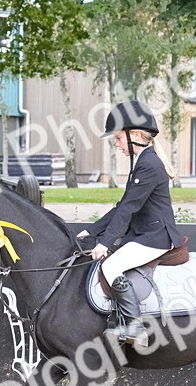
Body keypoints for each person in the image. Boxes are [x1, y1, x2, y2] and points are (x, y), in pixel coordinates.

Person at [77, 100, 185, 343]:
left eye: (117, 139)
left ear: (135, 134)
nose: (116, 145)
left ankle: (136, 328)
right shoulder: (143, 163)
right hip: (146, 234)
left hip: (156, 237)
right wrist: (91, 230)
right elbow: (122, 207)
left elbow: (128, 209)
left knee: (111, 266)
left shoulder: (148, 165)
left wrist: (104, 243)